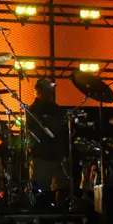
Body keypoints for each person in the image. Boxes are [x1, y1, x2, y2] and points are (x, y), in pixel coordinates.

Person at [26, 78, 69, 207]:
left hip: (56, 155)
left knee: (60, 187)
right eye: (48, 89)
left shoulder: (56, 108)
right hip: (42, 155)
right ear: (39, 91)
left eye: (51, 89)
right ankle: (41, 213)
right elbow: (34, 131)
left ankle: (58, 212)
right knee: (41, 188)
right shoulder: (33, 110)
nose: (51, 92)